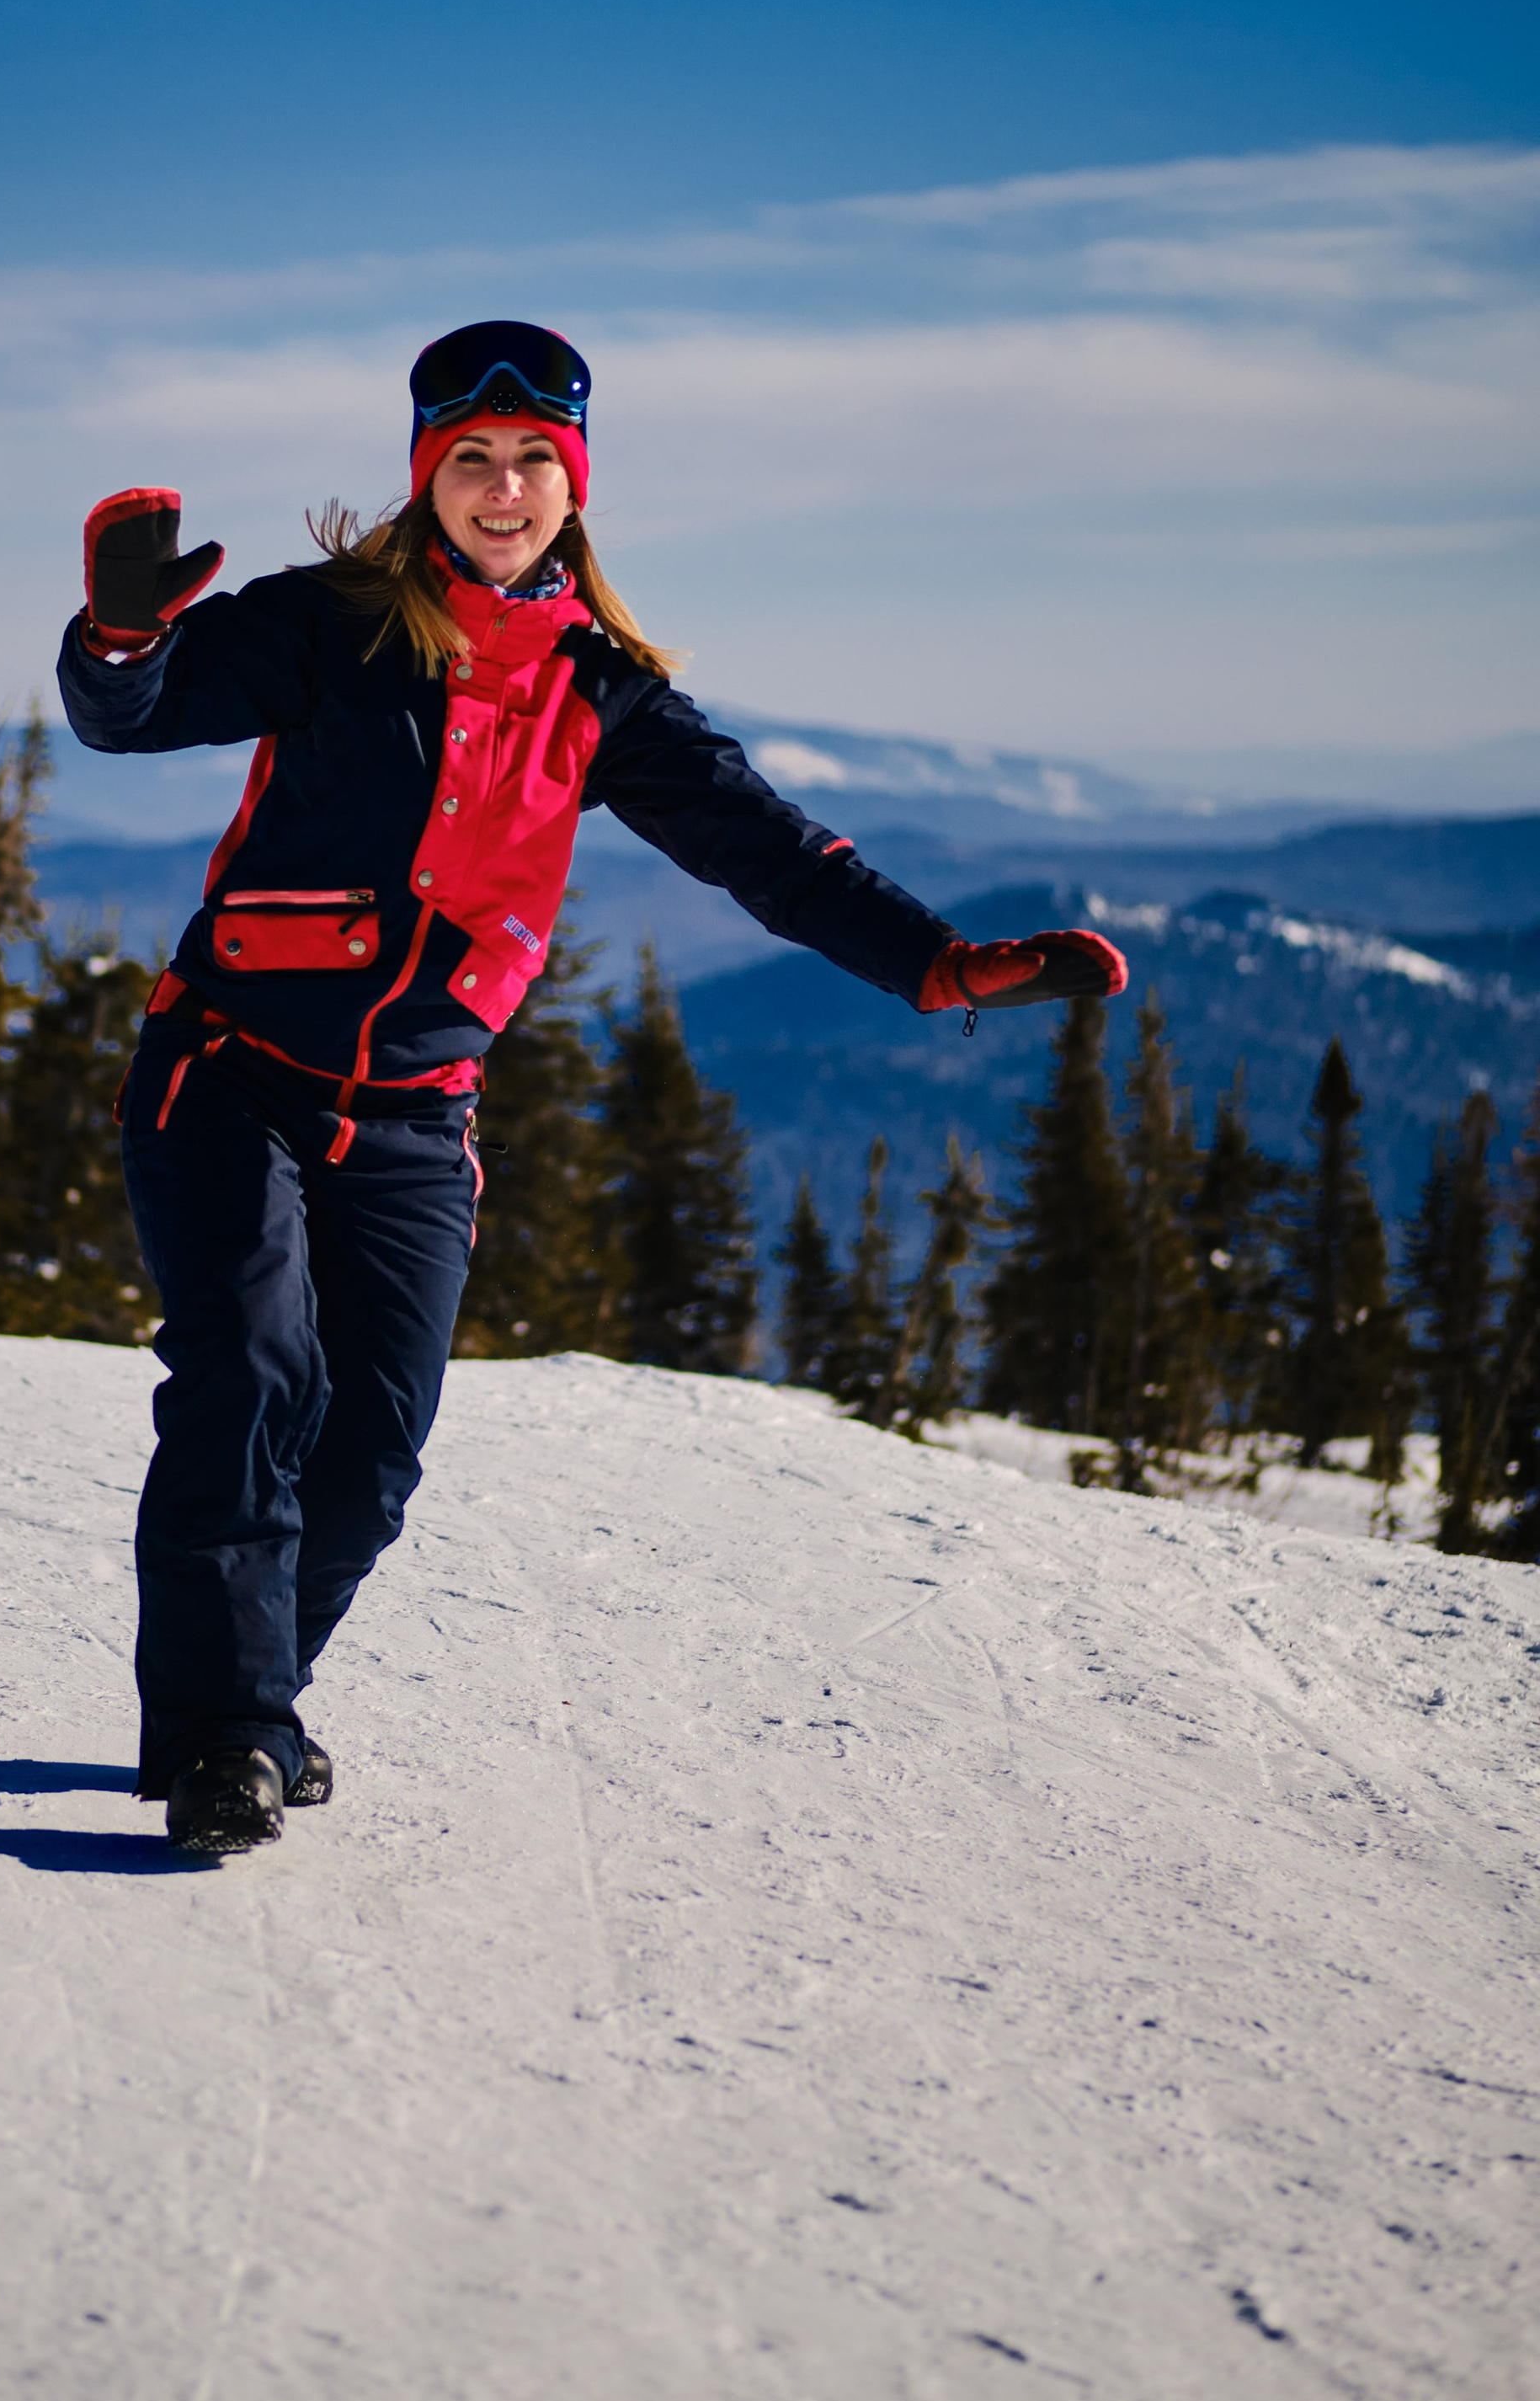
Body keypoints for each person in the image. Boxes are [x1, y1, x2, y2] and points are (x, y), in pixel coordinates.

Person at [57, 322, 1125, 1853]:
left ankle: (250, 1697)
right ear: (427, 479)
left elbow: (772, 853)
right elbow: (135, 715)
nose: (504, 490)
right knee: (253, 1373)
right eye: (473, 462)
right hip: (232, 1071)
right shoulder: (329, 628)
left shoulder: (603, 691)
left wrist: (942, 968)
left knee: (375, 1441)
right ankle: (229, 1735)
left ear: (575, 489)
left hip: (417, 1112)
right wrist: (120, 637)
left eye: (534, 465)